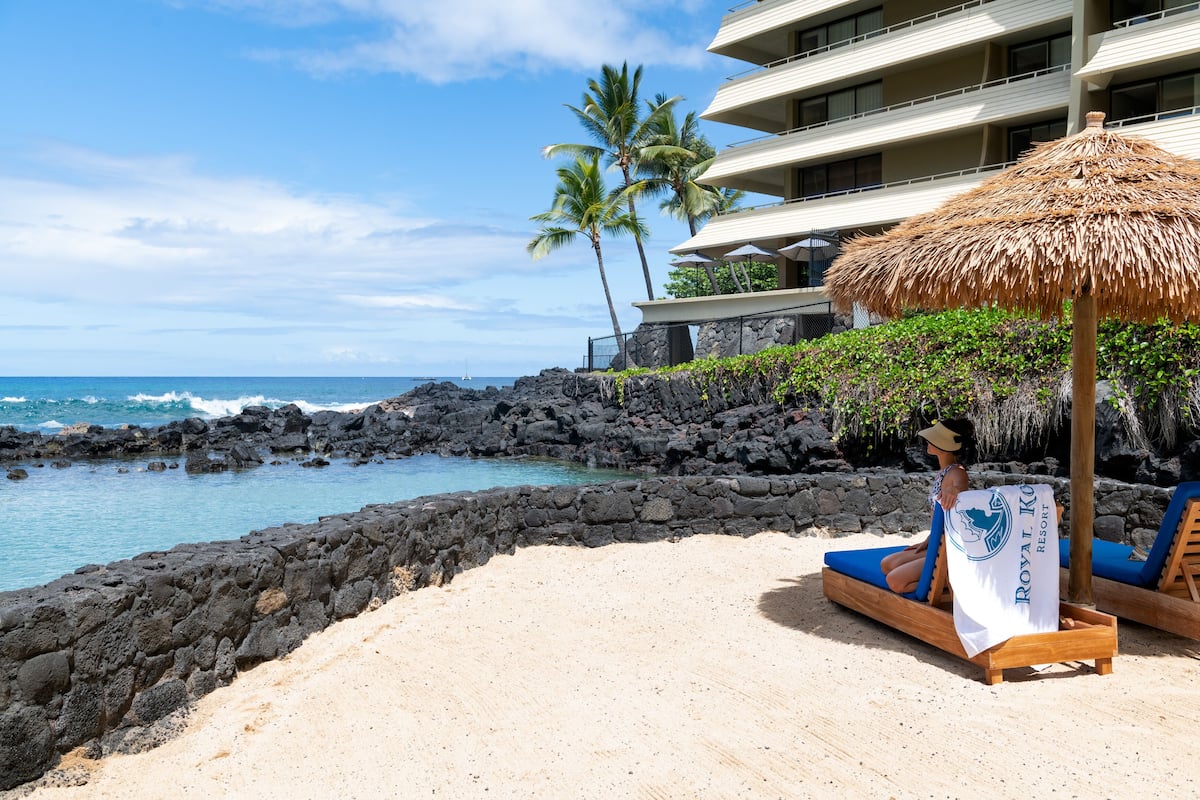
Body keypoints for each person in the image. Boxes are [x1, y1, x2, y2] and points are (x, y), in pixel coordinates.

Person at [880, 418, 976, 593]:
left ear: (943, 445)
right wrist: (929, 539)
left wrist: (954, 492)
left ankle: (949, 580)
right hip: (937, 542)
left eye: (933, 439)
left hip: (949, 549)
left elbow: (961, 490)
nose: (927, 442)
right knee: (887, 564)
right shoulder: (945, 470)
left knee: (896, 581)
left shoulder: (958, 473)